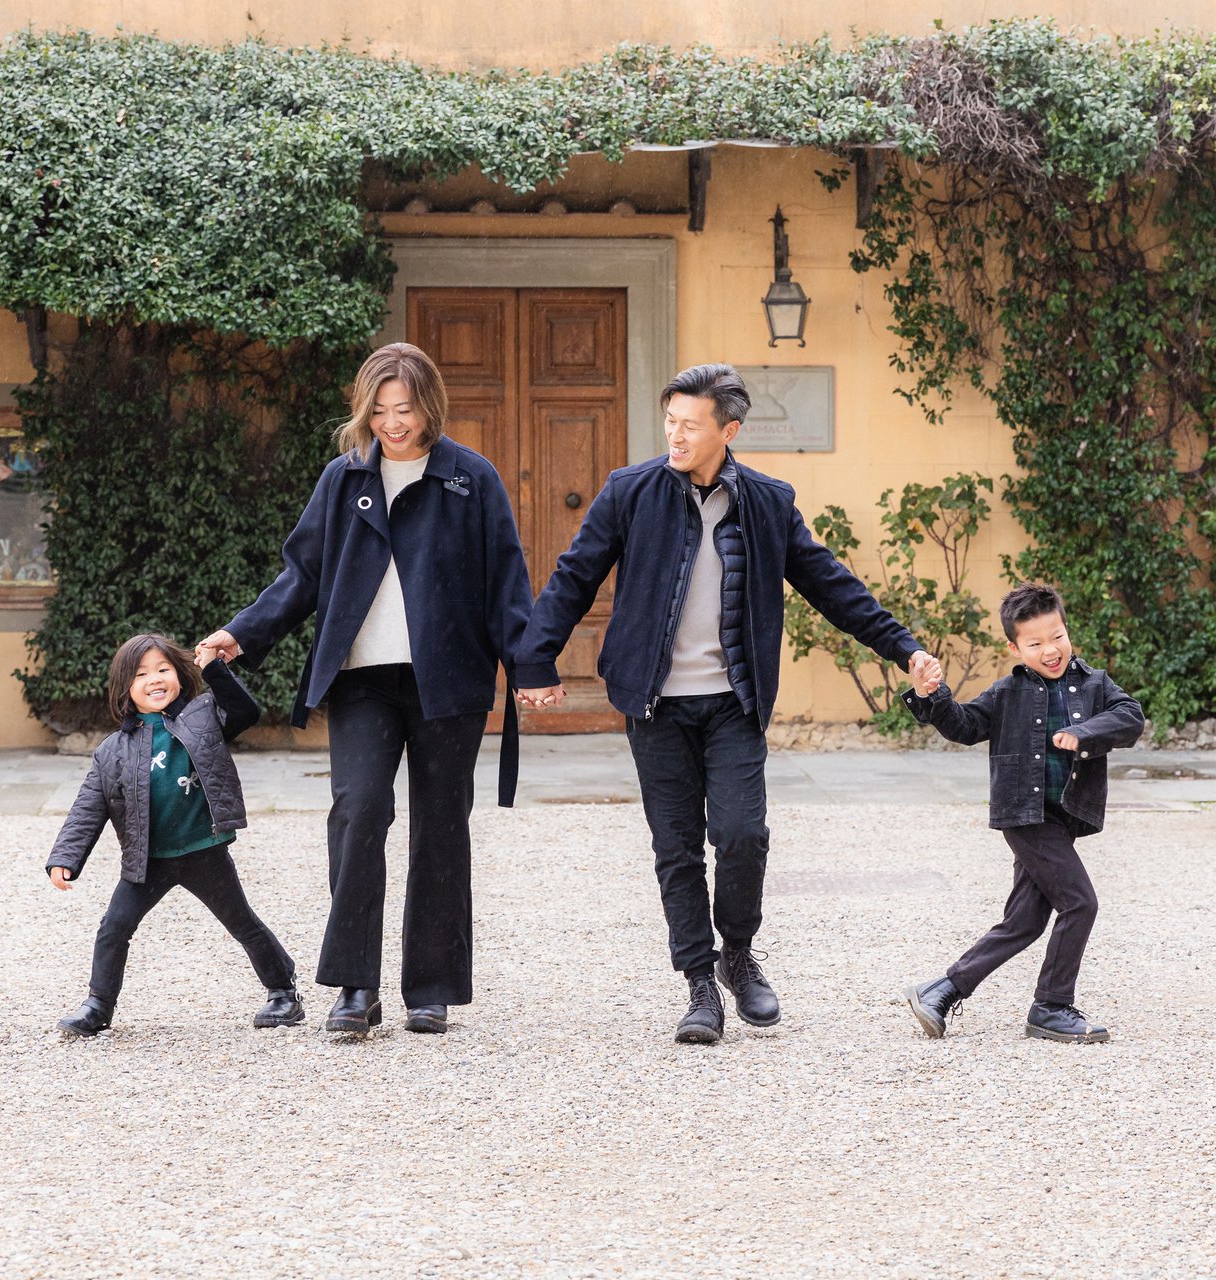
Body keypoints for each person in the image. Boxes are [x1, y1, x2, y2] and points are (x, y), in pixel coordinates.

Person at [514, 363, 942, 1045]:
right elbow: (574, 576)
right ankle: (699, 984)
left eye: (690, 424)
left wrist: (903, 648)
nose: (675, 435)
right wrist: (535, 659)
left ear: (729, 431)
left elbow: (831, 585)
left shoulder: (768, 503)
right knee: (677, 847)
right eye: (671, 422)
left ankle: (738, 956)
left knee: (743, 835)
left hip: (732, 703)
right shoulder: (630, 491)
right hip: (655, 705)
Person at [198, 343, 533, 1039]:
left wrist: (529, 665)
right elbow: (303, 574)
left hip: (450, 681)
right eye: (378, 410)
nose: (392, 423)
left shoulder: (471, 477)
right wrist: (242, 633)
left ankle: (431, 988)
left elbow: (506, 580)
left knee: (441, 826)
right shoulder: (344, 477)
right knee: (358, 813)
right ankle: (356, 985)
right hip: (361, 680)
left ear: (429, 406)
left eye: (404, 409)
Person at [901, 582, 1144, 1044]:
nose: (1050, 650)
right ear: (1014, 648)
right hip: (1025, 816)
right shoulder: (1007, 692)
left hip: (1065, 816)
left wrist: (1085, 732)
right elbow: (964, 726)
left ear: (1067, 631)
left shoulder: (1095, 684)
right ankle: (1051, 1006)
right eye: (1035, 643)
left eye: (1057, 637)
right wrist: (932, 695)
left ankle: (940, 991)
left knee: (1024, 921)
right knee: (1080, 902)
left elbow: (1130, 716)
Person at [46, 634, 300, 1038]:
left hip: (204, 852)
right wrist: (65, 857)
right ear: (125, 688)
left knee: (241, 922)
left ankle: (283, 991)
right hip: (148, 860)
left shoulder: (202, 717)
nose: (155, 679)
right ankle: (98, 1005)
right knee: (114, 928)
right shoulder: (112, 750)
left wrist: (214, 668)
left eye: (163, 669)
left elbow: (245, 710)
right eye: (141, 674)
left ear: (179, 676)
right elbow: (88, 807)